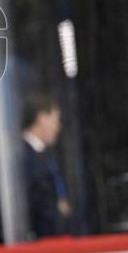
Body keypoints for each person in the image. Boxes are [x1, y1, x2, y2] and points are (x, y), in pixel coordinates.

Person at [20, 95, 77, 239]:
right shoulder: (24, 155)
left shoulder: (41, 155)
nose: (58, 126)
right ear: (41, 118)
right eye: (55, 119)